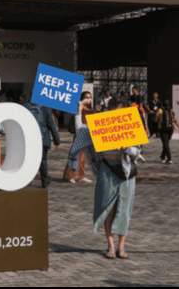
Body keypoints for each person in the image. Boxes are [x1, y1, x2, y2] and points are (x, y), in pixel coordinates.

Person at [70, 97, 141, 260]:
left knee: (124, 209)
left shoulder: (129, 124)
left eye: (119, 112)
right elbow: (81, 132)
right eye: (112, 112)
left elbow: (139, 152)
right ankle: (110, 246)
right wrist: (78, 113)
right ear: (108, 112)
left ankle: (121, 246)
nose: (115, 116)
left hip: (127, 173)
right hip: (107, 169)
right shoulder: (101, 126)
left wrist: (126, 148)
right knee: (108, 209)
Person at [22, 97, 61, 188]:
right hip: (43, 138)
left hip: (29, 138)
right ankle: (44, 181)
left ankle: (28, 181)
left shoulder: (25, 106)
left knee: (30, 159)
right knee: (43, 160)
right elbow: (51, 124)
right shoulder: (45, 107)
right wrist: (57, 140)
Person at [65, 91, 95, 184]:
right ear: (82, 98)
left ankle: (81, 175)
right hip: (79, 136)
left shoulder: (90, 110)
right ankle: (70, 176)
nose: (88, 99)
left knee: (84, 157)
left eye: (90, 97)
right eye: (86, 97)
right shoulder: (80, 109)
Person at [156, 99, 179, 165]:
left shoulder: (161, 110)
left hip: (163, 130)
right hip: (170, 130)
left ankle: (169, 158)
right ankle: (163, 156)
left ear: (162, 105)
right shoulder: (171, 111)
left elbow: (155, 119)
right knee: (166, 144)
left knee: (166, 144)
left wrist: (157, 117)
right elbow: (176, 120)